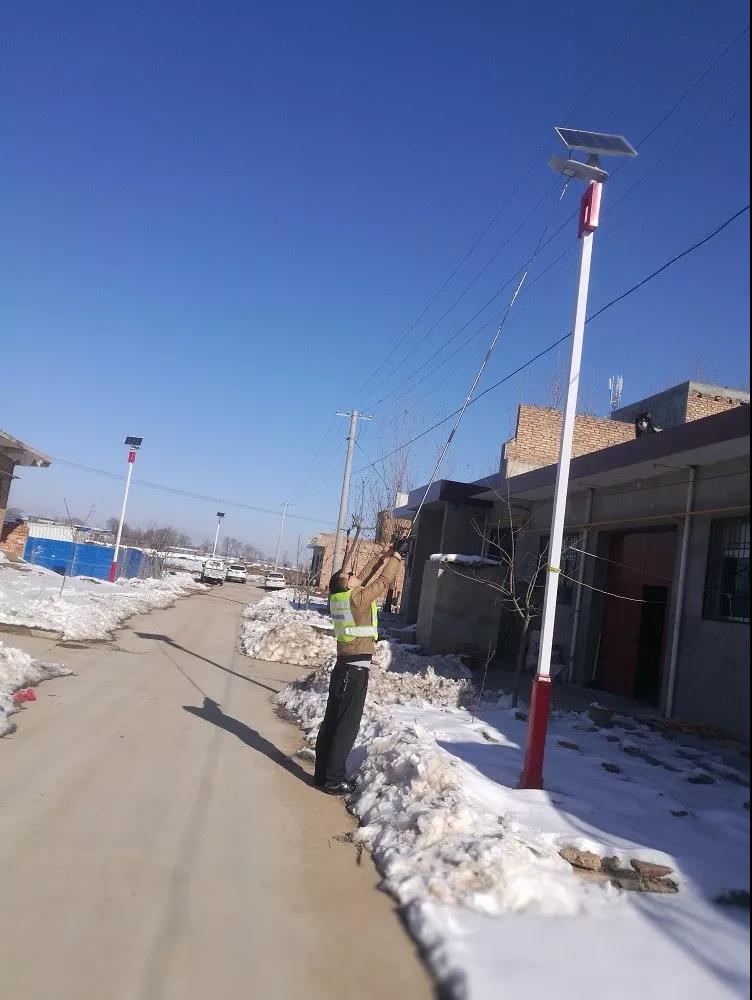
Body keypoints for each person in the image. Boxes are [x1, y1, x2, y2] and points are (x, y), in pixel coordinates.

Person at [314, 543, 405, 794]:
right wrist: (396, 558)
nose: (355, 575)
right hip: (354, 673)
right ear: (346, 585)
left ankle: (323, 774)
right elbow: (383, 582)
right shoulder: (356, 600)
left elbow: (362, 578)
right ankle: (334, 779)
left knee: (332, 722)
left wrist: (380, 557)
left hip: (344, 669)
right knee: (346, 726)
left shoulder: (340, 598)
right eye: (349, 576)